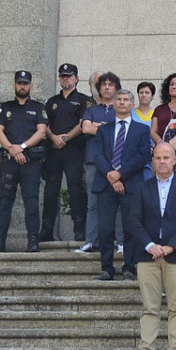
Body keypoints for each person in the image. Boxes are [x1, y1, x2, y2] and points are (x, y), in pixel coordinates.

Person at [128, 143, 176, 350]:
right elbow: (133, 220)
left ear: (175, 160)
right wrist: (150, 245)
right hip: (147, 256)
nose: (162, 162)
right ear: (153, 160)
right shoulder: (141, 188)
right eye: (158, 158)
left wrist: (170, 247)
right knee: (149, 307)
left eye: (166, 157)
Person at [93, 89, 151, 281]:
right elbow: (98, 155)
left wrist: (120, 174)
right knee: (106, 228)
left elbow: (142, 156)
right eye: (119, 99)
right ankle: (107, 268)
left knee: (130, 227)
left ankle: (129, 267)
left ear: (132, 104)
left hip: (131, 185)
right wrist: (112, 175)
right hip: (106, 183)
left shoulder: (142, 130)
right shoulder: (103, 129)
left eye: (126, 100)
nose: (122, 103)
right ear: (114, 104)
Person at [0, 70, 48, 253]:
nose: (22, 86)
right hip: (10, 161)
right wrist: (12, 149)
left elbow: (41, 131)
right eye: (19, 83)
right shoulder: (6, 107)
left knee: (31, 201)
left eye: (25, 83)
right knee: (5, 202)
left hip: (30, 161)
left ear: (30, 85)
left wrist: (21, 147)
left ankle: (33, 241)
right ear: (14, 85)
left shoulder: (38, 107)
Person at [40, 63, 92, 242]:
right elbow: (43, 124)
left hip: (74, 150)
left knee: (75, 189)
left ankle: (79, 230)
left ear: (77, 78)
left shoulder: (85, 100)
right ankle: (46, 230)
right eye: (62, 76)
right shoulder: (52, 101)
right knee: (50, 190)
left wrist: (65, 138)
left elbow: (83, 123)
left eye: (69, 76)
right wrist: (54, 138)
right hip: (53, 150)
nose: (65, 79)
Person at [78, 72, 121, 254]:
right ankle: (90, 240)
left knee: (119, 202)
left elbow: (122, 129)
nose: (106, 87)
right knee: (93, 203)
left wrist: (100, 127)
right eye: (103, 84)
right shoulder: (91, 109)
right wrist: (107, 128)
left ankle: (121, 241)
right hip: (93, 161)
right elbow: (86, 127)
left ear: (116, 88)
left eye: (110, 84)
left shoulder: (121, 108)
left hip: (116, 162)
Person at [151, 73, 176, 146]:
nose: (174, 87)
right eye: (171, 84)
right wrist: (160, 142)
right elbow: (153, 132)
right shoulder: (159, 109)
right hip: (162, 148)